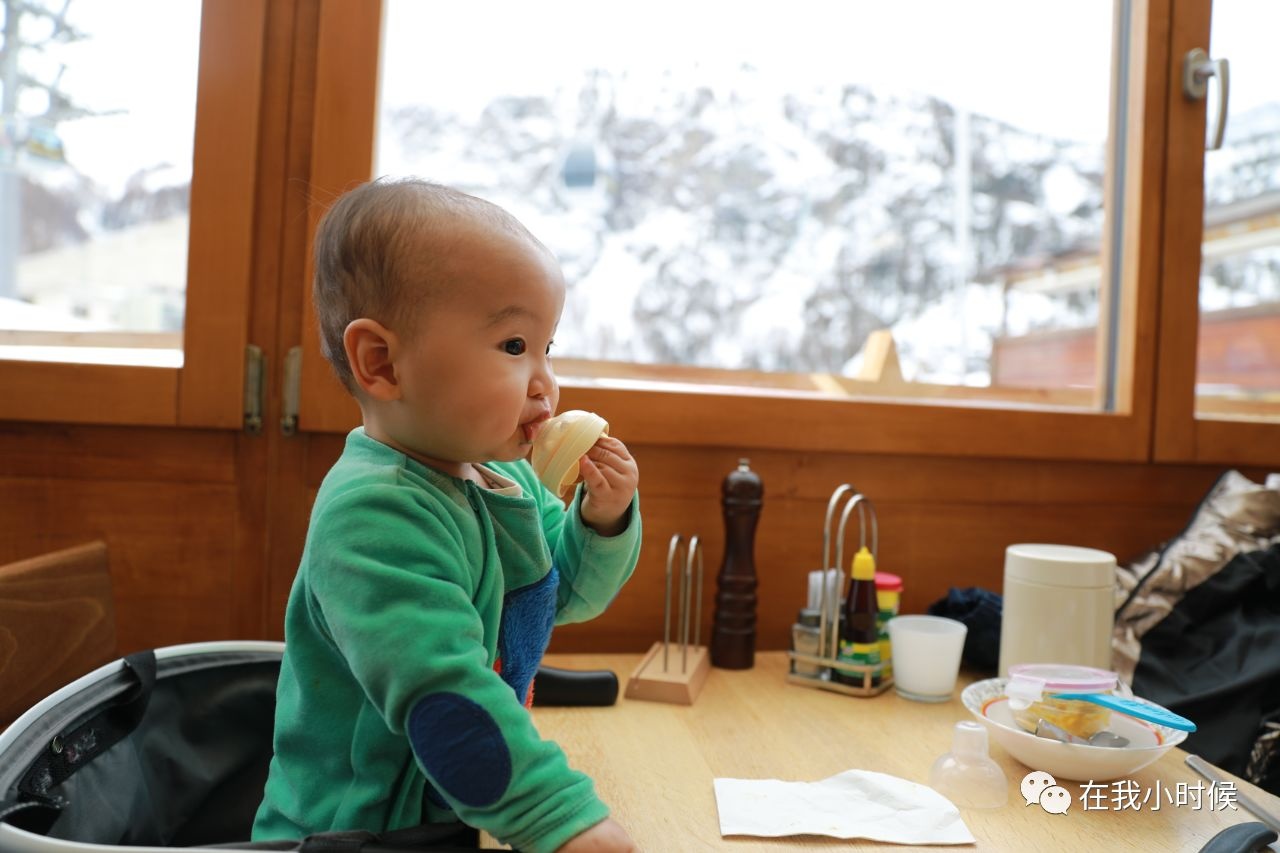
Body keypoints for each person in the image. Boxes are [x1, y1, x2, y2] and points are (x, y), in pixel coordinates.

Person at [252, 179, 641, 852]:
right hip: (358, 830)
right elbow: (446, 696)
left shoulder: (503, 476)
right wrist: (559, 819)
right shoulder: (375, 516)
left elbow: (561, 594)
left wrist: (602, 519)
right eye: (514, 346)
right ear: (382, 363)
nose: (545, 382)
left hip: (455, 806)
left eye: (547, 348)